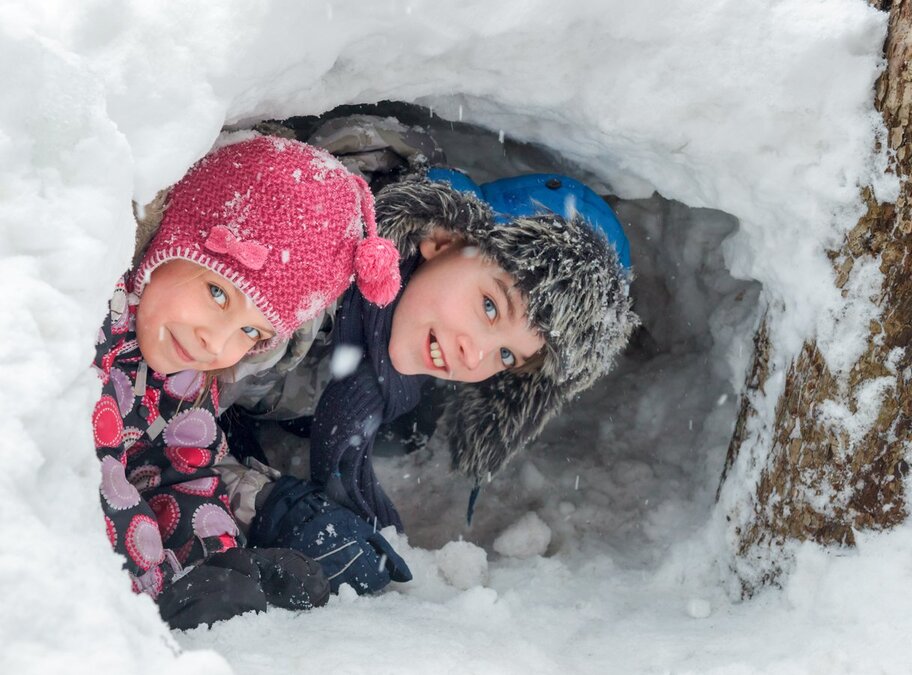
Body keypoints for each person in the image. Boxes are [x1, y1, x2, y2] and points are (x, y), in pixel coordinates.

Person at [217, 127, 639, 594]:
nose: (475, 354)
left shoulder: (391, 340)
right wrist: (270, 504)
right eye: (490, 307)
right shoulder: (299, 278)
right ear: (441, 238)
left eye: (506, 355)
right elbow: (152, 416)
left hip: (329, 365)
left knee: (405, 428)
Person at [92, 135, 403, 629]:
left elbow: (180, 473)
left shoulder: (187, 370)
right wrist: (159, 586)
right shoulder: (88, 318)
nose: (216, 342)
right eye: (218, 292)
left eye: (251, 331)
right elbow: (87, 486)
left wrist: (222, 563)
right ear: (174, 237)